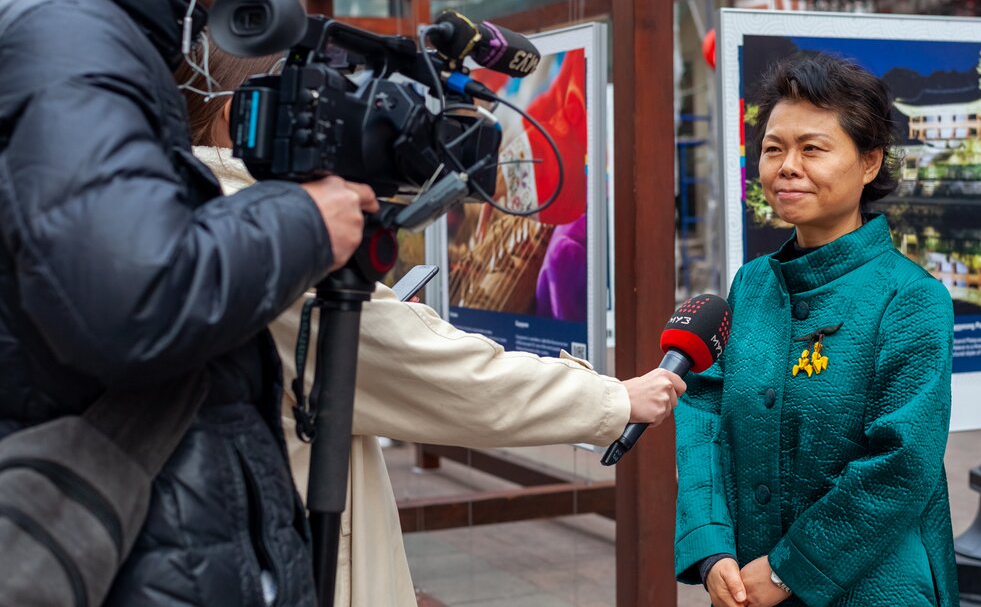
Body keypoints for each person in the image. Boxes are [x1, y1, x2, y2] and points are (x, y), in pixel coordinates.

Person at [0, 0, 378, 604]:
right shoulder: (70, 39)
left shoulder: (77, 31)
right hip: (129, 553)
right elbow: (130, 296)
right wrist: (306, 219)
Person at [175, 43, 688, 607]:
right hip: (288, 554)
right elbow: (444, 376)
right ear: (240, 117)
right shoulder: (265, 237)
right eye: (314, 113)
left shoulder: (181, 211)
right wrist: (614, 401)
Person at [674, 52, 959, 607]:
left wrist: (786, 571)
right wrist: (712, 549)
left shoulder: (912, 300)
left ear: (870, 163)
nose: (787, 166)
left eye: (813, 149)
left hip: (878, 587)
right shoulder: (753, 283)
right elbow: (703, 409)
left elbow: (902, 463)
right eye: (774, 148)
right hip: (742, 583)